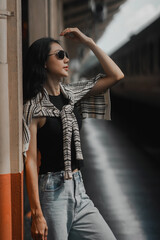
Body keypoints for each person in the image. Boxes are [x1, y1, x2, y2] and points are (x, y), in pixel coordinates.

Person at [23, 27, 124, 240]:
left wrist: (88, 42)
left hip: (80, 190)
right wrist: (37, 213)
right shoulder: (34, 107)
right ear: (44, 62)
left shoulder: (73, 94)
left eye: (67, 54)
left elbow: (116, 75)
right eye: (60, 55)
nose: (66, 59)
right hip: (52, 193)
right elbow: (30, 161)